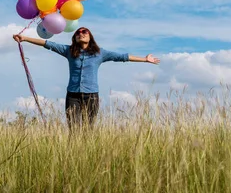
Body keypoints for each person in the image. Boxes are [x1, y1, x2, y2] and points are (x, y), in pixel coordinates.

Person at [13, 27, 160, 129]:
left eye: (84, 32)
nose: (81, 34)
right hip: (73, 96)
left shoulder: (100, 53)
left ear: (90, 37)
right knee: (74, 129)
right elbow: (48, 44)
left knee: (88, 129)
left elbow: (122, 57)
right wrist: (24, 38)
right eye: (78, 33)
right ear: (75, 38)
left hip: (91, 96)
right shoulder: (69, 51)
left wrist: (145, 59)